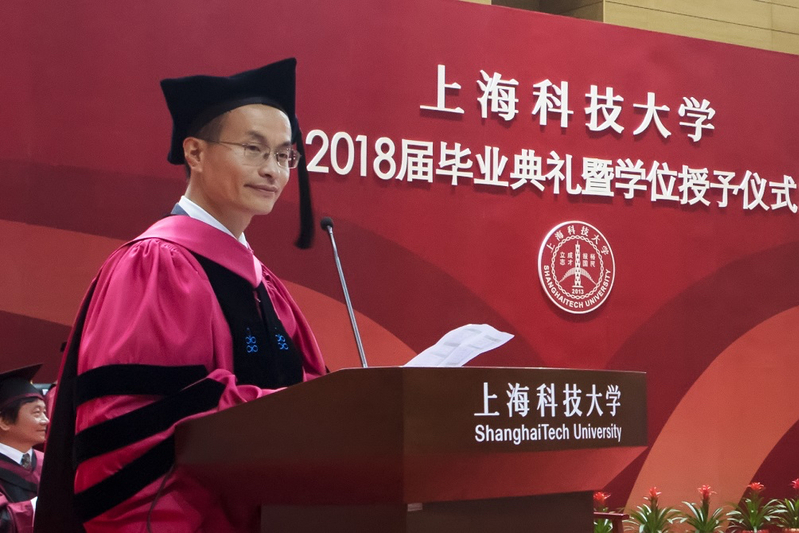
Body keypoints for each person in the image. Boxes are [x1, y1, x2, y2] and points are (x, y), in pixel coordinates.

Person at [35, 58, 327, 533]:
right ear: (195, 152)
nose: (272, 170)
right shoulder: (156, 265)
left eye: (283, 155)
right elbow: (133, 427)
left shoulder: (265, 285)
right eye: (253, 149)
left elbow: (317, 401)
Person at [0, 364, 49, 533]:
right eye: (36, 413)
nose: (46, 420)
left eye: (45, 412)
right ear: (4, 422)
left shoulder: (48, 462)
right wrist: (44, 505)